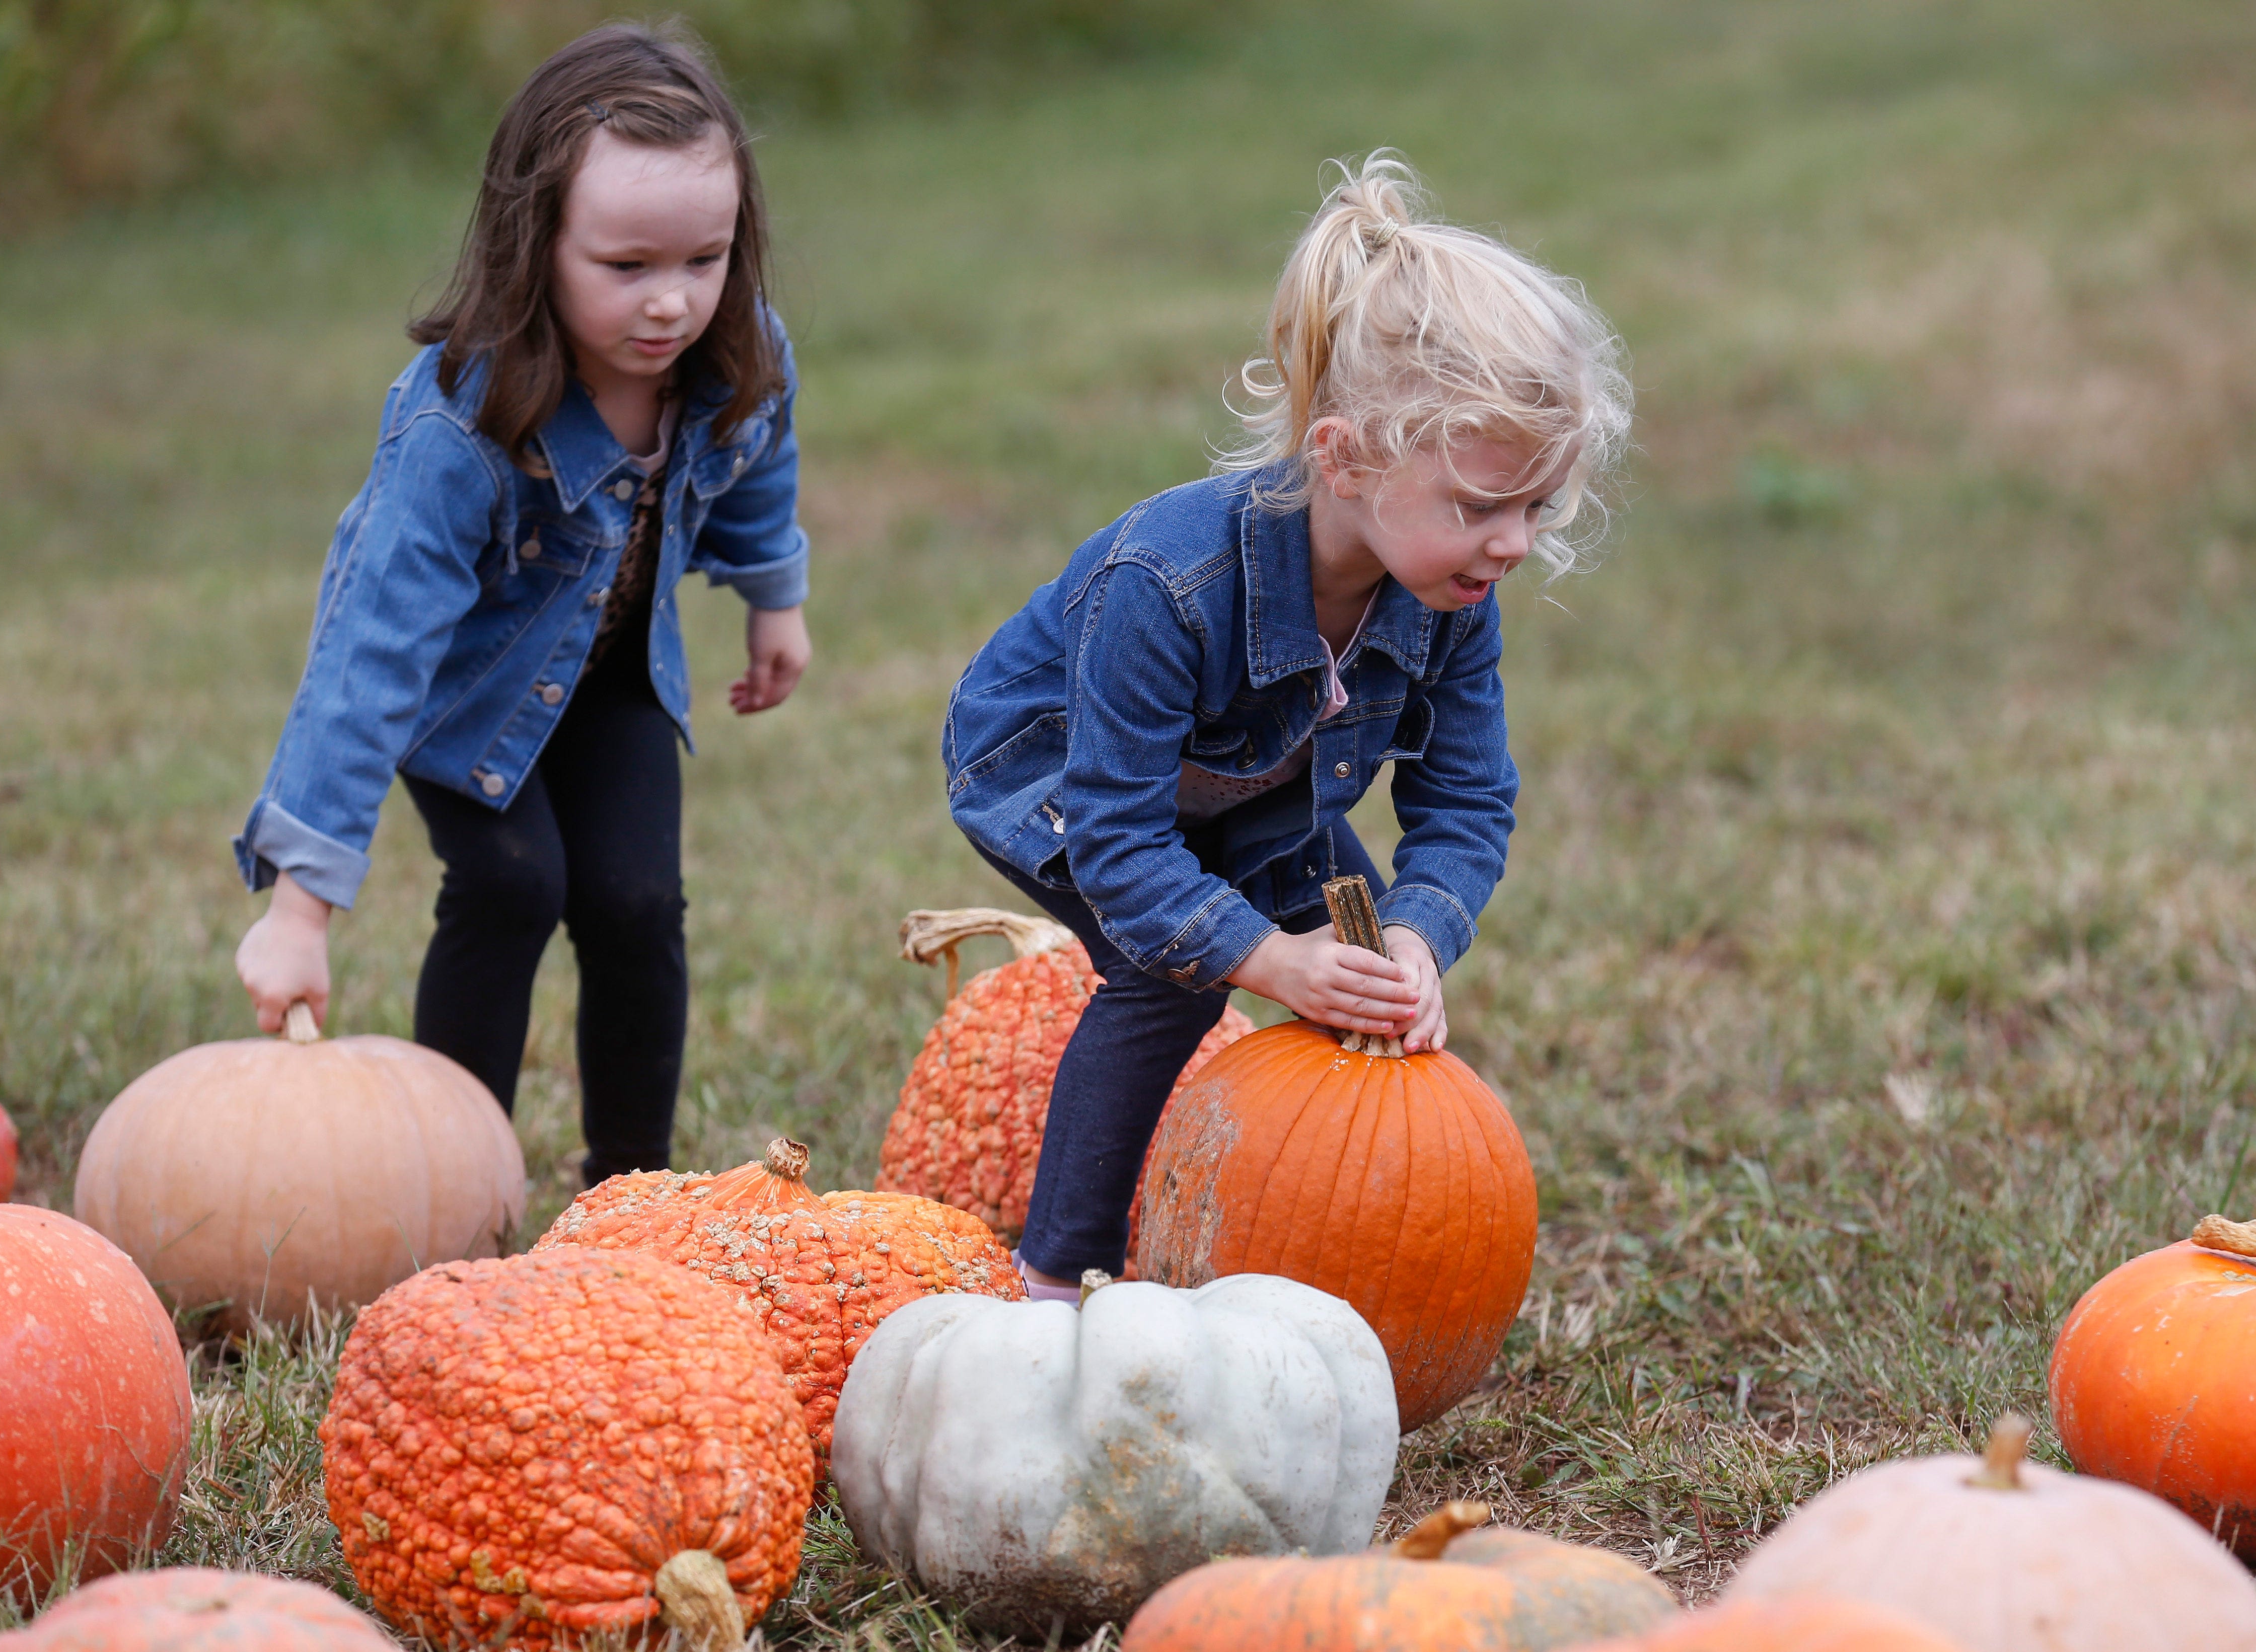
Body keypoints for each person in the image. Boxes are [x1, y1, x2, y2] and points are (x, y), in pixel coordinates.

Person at [943, 153, 1630, 1298]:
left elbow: (1465, 801)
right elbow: (1120, 845)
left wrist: (1410, 944)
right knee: (1169, 974)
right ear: (1343, 457)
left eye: (1535, 505)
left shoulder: (1452, 595)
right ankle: (1056, 1281)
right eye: (1478, 505)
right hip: (1060, 780)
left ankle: (1298, 1254)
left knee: (1359, 980)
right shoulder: (1162, 585)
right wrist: (1266, 959)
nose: (1511, 541)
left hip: (1253, 790)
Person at [230, 24, 812, 1188]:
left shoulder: (735, 349)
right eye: (626, 266)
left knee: (639, 902)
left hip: (613, 680)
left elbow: (757, 457)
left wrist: (771, 597)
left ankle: (631, 1190)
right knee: (513, 882)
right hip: (463, 691)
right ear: (535, 240)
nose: (672, 304)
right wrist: (301, 909)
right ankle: (460, 1175)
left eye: (703, 260)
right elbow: (370, 655)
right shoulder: (462, 426)